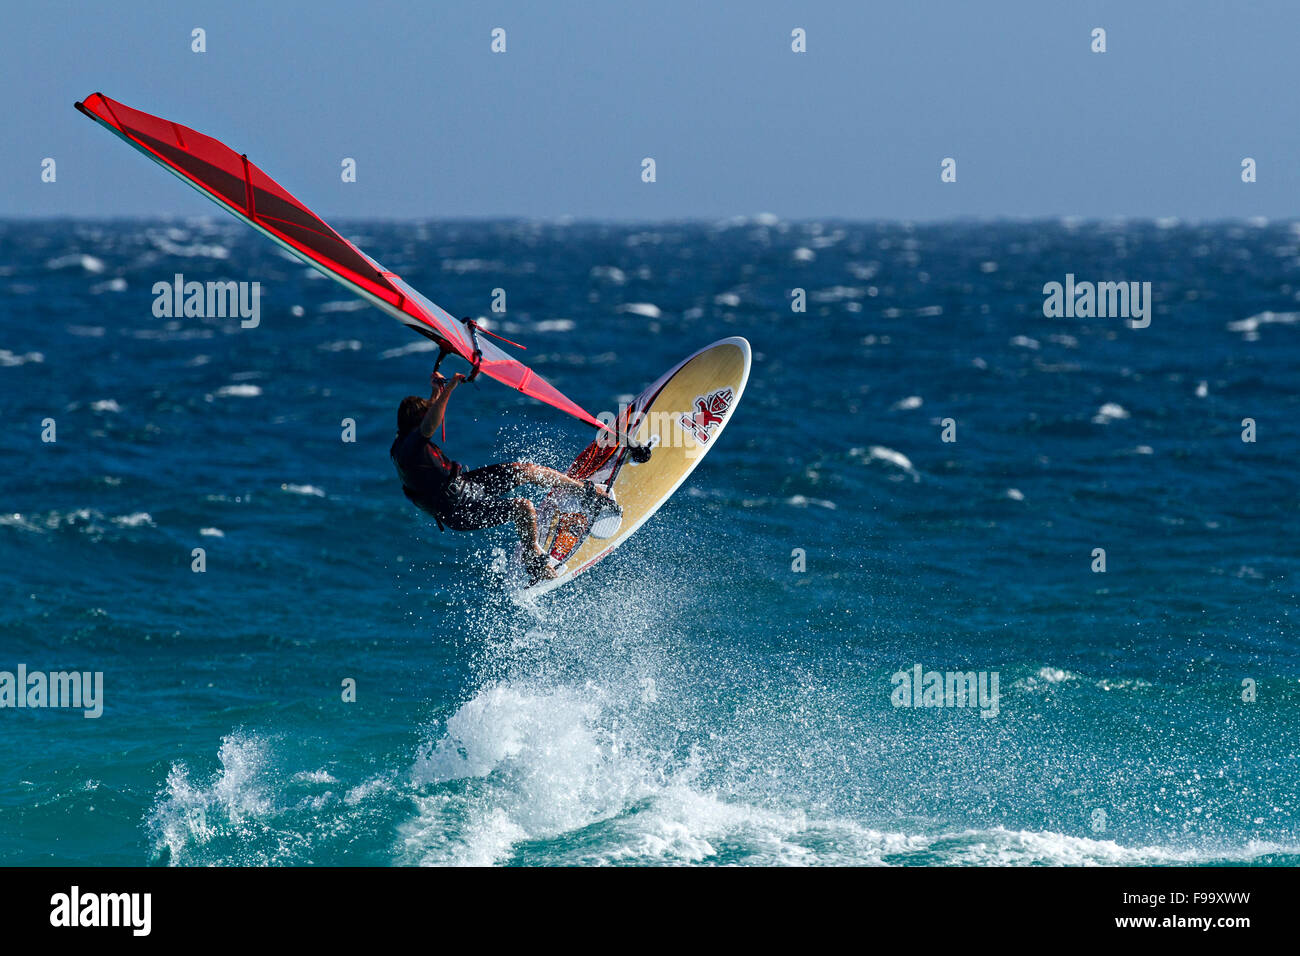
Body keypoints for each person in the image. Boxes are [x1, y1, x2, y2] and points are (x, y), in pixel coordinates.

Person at [391, 371, 616, 580]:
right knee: (523, 507)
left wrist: (436, 390)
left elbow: (428, 417)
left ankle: (583, 490)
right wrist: (449, 389)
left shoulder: (404, 440)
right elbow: (431, 423)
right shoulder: (411, 448)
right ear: (418, 422)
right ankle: (533, 560)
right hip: (457, 510)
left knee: (524, 470)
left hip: (464, 486)